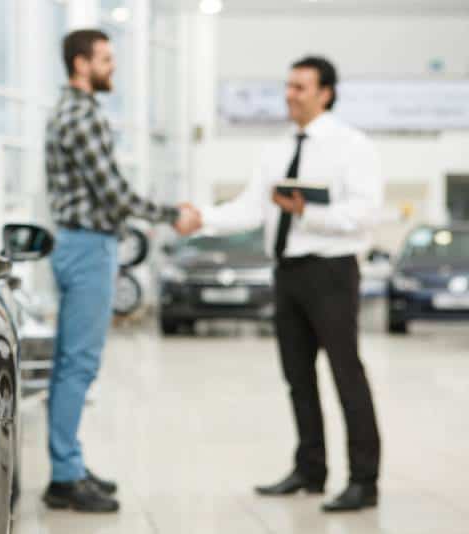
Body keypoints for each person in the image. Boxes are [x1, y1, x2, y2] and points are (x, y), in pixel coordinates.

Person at [200, 56, 383, 513]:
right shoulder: (276, 149)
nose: (290, 95)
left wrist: (308, 212)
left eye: (300, 87)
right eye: (287, 86)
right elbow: (250, 208)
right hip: (288, 273)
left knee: (346, 374)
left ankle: (364, 480)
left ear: (325, 93)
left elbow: (365, 213)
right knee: (297, 377)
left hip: (332, 271)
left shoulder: (351, 145)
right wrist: (201, 218)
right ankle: (310, 469)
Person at [43, 29, 201, 513]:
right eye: (105, 59)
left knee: (70, 363)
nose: (113, 67)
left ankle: (68, 465)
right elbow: (114, 194)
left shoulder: (68, 111)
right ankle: (65, 477)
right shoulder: (81, 115)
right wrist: (172, 214)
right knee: (79, 365)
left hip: (79, 244)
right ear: (81, 64)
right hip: (88, 247)